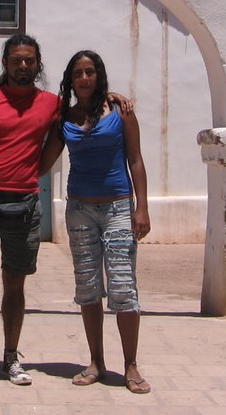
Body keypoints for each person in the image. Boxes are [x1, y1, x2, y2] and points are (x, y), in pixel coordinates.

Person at [0, 34, 131, 393]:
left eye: (30, 61)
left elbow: (84, 105)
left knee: (15, 285)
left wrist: (110, 96)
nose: (23, 66)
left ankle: (11, 356)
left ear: (37, 64)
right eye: (17, 60)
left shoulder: (51, 105)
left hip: (25, 203)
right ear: (6, 63)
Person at [40, 49, 152, 394]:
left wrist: (142, 207)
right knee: (88, 288)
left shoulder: (120, 112)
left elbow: (135, 159)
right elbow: (43, 163)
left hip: (118, 206)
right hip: (80, 210)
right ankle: (96, 361)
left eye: (90, 72)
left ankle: (131, 365)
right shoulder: (65, 119)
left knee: (123, 287)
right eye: (78, 73)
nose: (84, 78)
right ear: (71, 80)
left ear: (99, 75)